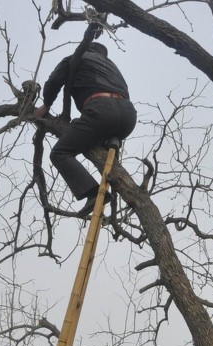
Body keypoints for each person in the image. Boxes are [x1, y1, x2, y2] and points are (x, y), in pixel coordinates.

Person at [34, 40, 137, 215]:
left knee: (59, 153)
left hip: (102, 112)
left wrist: (47, 104)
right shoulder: (113, 67)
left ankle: (93, 193)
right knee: (90, 127)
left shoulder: (76, 58)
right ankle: (110, 139)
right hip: (128, 117)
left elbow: (54, 80)